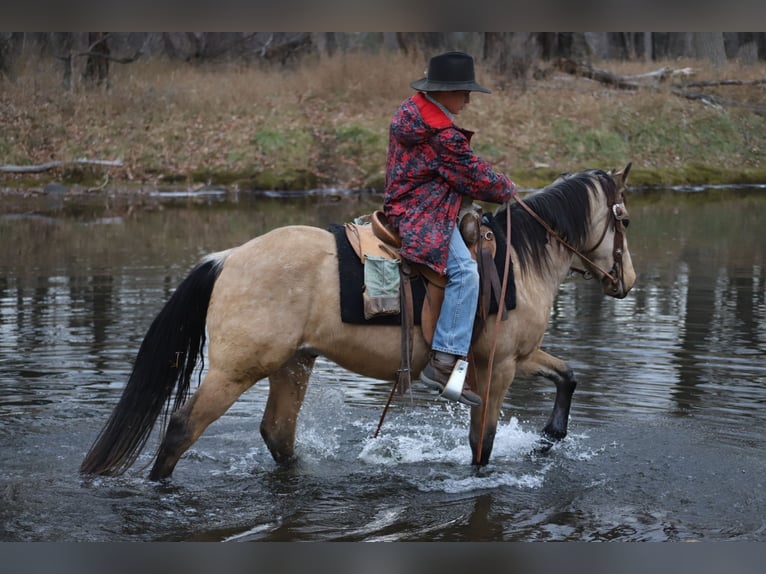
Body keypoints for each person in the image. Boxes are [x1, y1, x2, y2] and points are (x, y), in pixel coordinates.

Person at [383, 51, 516, 407]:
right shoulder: (440, 135)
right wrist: (507, 189)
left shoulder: (413, 113)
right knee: (465, 273)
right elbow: (476, 176)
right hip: (422, 213)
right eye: (463, 91)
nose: (469, 99)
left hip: (411, 202)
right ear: (441, 92)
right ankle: (443, 360)